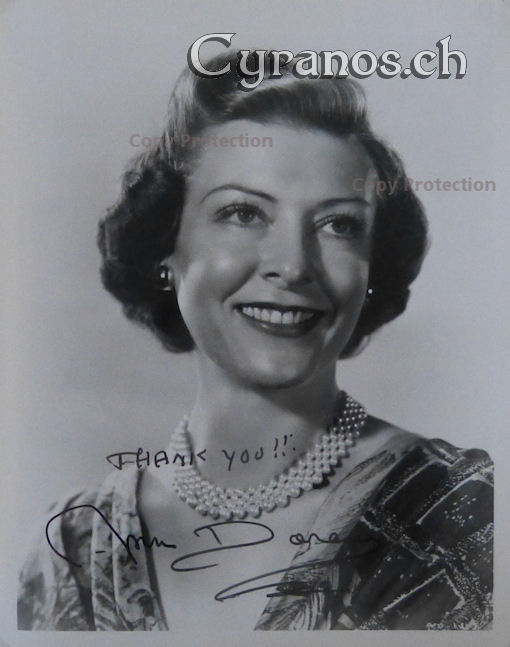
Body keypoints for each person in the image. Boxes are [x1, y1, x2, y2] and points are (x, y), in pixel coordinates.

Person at [18, 49, 493, 632]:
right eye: (244, 213)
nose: (292, 265)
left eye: (338, 224)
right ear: (167, 248)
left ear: (372, 268)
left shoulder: (466, 515)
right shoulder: (72, 549)